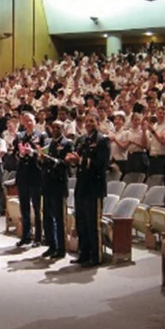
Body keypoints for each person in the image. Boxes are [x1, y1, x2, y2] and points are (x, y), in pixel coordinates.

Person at [66, 114, 110, 267]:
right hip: (81, 184)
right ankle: (83, 253)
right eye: (87, 121)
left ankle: (96, 256)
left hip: (95, 186)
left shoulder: (102, 140)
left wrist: (81, 161)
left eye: (92, 121)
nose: (89, 124)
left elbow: (101, 164)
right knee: (81, 222)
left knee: (93, 224)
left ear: (98, 122)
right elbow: (77, 161)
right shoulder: (82, 140)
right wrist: (72, 160)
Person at [39, 120, 74, 259]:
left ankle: (61, 248)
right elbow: (44, 162)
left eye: (58, 127)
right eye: (53, 127)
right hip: (47, 183)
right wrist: (41, 159)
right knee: (47, 216)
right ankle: (51, 245)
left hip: (59, 183)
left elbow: (65, 162)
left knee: (60, 218)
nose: (55, 130)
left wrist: (50, 159)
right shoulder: (50, 143)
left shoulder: (67, 143)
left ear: (63, 129)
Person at [13, 112, 46, 246]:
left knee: (37, 207)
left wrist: (32, 153)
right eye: (25, 121)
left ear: (35, 121)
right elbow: (14, 153)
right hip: (23, 174)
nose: (28, 123)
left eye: (30, 121)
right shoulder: (20, 136)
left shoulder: (41, 136)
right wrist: (20, 154)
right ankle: (26, 235)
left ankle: (38, 237)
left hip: (35, 174)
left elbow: (44, 154)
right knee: (24, 206)